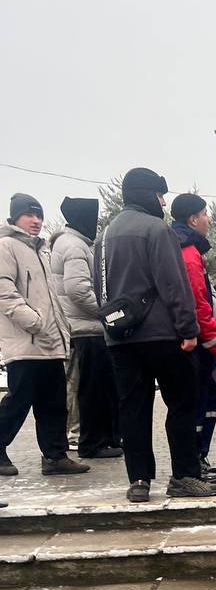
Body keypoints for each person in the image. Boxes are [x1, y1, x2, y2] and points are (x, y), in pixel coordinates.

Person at [94, 167, 216, 503]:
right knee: (182, 403)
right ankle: (183, 475)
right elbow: (174, 285)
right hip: (163, 336)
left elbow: (99, 288)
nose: (164, 202)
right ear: (148, 194)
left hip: (121, 338)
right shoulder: (157, 230)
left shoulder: (104, 236)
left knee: (133, 408)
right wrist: (188, 330)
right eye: (160, 194)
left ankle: (139, 480)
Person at [0, 193, 89, 478]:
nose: (36, 221)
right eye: (29, 215)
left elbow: (52, 298)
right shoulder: (6, 246)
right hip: (26, 342)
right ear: (15, 217)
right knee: (18, 401)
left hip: (50, 342)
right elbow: (5, 293)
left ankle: (55, 455)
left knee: (53, 402)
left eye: (38, 215)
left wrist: (61, 330)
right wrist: (36, 323)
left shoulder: (41, 250)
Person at [50, 197, 121, 460]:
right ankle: (92, 443)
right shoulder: (74, 246)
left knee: (93, 388)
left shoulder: (74, 244)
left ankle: (101, 439)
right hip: (84, 329)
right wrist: (107, 312)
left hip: (83, 327)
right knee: (90, 391)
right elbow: (78, 289)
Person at [169, 194, 216, 483]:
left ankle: (198, 459)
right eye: (205, 214)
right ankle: (194, 463)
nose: (209, 219)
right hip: (194, 344)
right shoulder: (188, 252)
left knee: (203, 400)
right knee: (200, 402)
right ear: (193, 219)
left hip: (192, 340)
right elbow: (199, 303)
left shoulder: (185, 248)